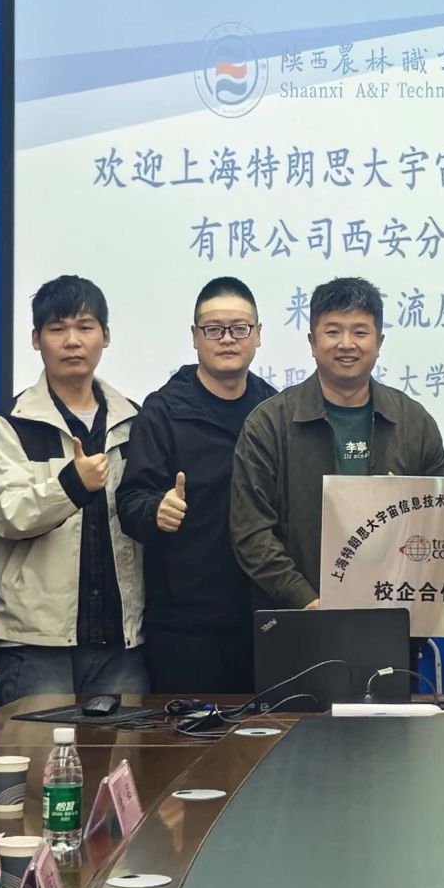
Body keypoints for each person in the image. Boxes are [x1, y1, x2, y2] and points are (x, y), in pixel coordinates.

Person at [231, 276, 444, 609]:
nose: (346, 344)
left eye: (360, 332)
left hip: (393, 614)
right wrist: (306, 599)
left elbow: (441, 520)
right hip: (299, 617)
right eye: (333, 332)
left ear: (379, 341)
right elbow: (252, 532)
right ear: (312, 341)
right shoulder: (269, 424)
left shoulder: (414, 423)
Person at [0, 276, 147, 703]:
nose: (72, 341)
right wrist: (72, 485)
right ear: (36, 340)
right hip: (37, 641)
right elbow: (8, 516)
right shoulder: (11, 423)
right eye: (57, 329)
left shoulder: (134, 420)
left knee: (127, 750)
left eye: (85, 327)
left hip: (121, 641)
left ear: (105, 336)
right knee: (34, 750)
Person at [115, 277, 277, 694]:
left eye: (239, 328)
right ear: (194, 337)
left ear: (258, 335)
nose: (227, 339)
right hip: (184, 624)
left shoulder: (274, 409)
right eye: (213, 329)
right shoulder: (163, 411)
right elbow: (129, 502)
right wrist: (156, 509)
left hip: (261, 618)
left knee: (262, 733)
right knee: (182, 734)